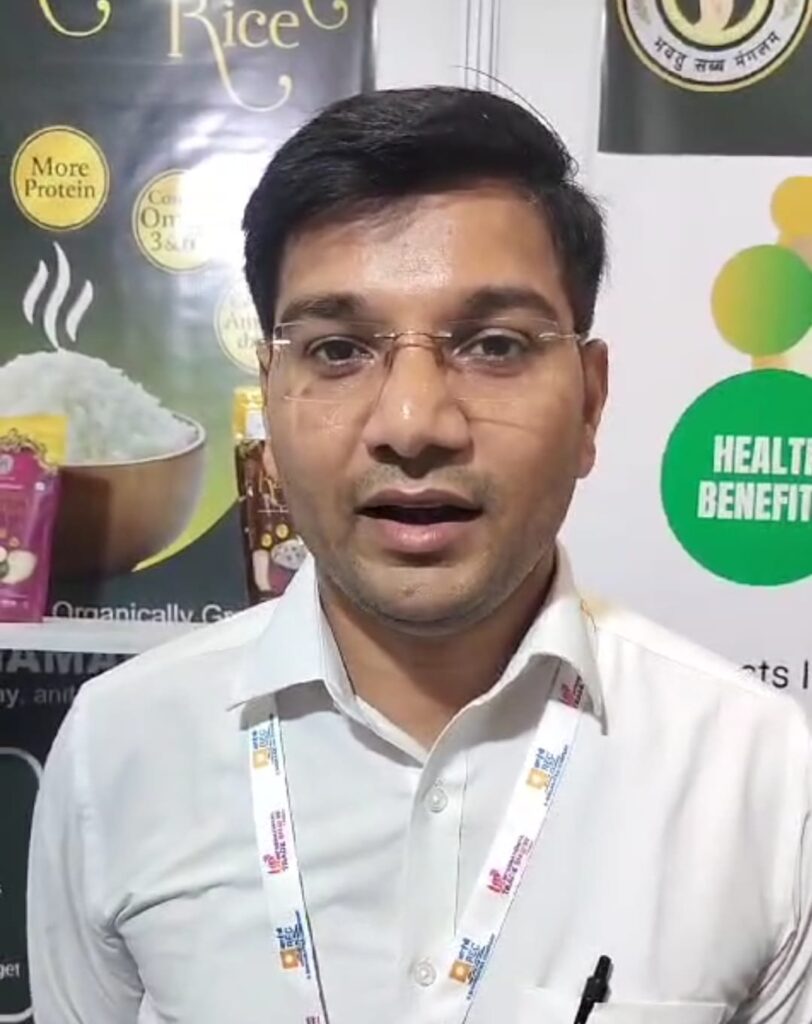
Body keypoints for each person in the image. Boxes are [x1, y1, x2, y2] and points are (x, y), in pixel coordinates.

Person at [27, 86, 812, 1024]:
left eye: (494, 345)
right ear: (269, 399)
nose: (412, 423)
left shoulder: (760, 778)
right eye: (338, 350)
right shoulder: (120, 749)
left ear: (591, 403)